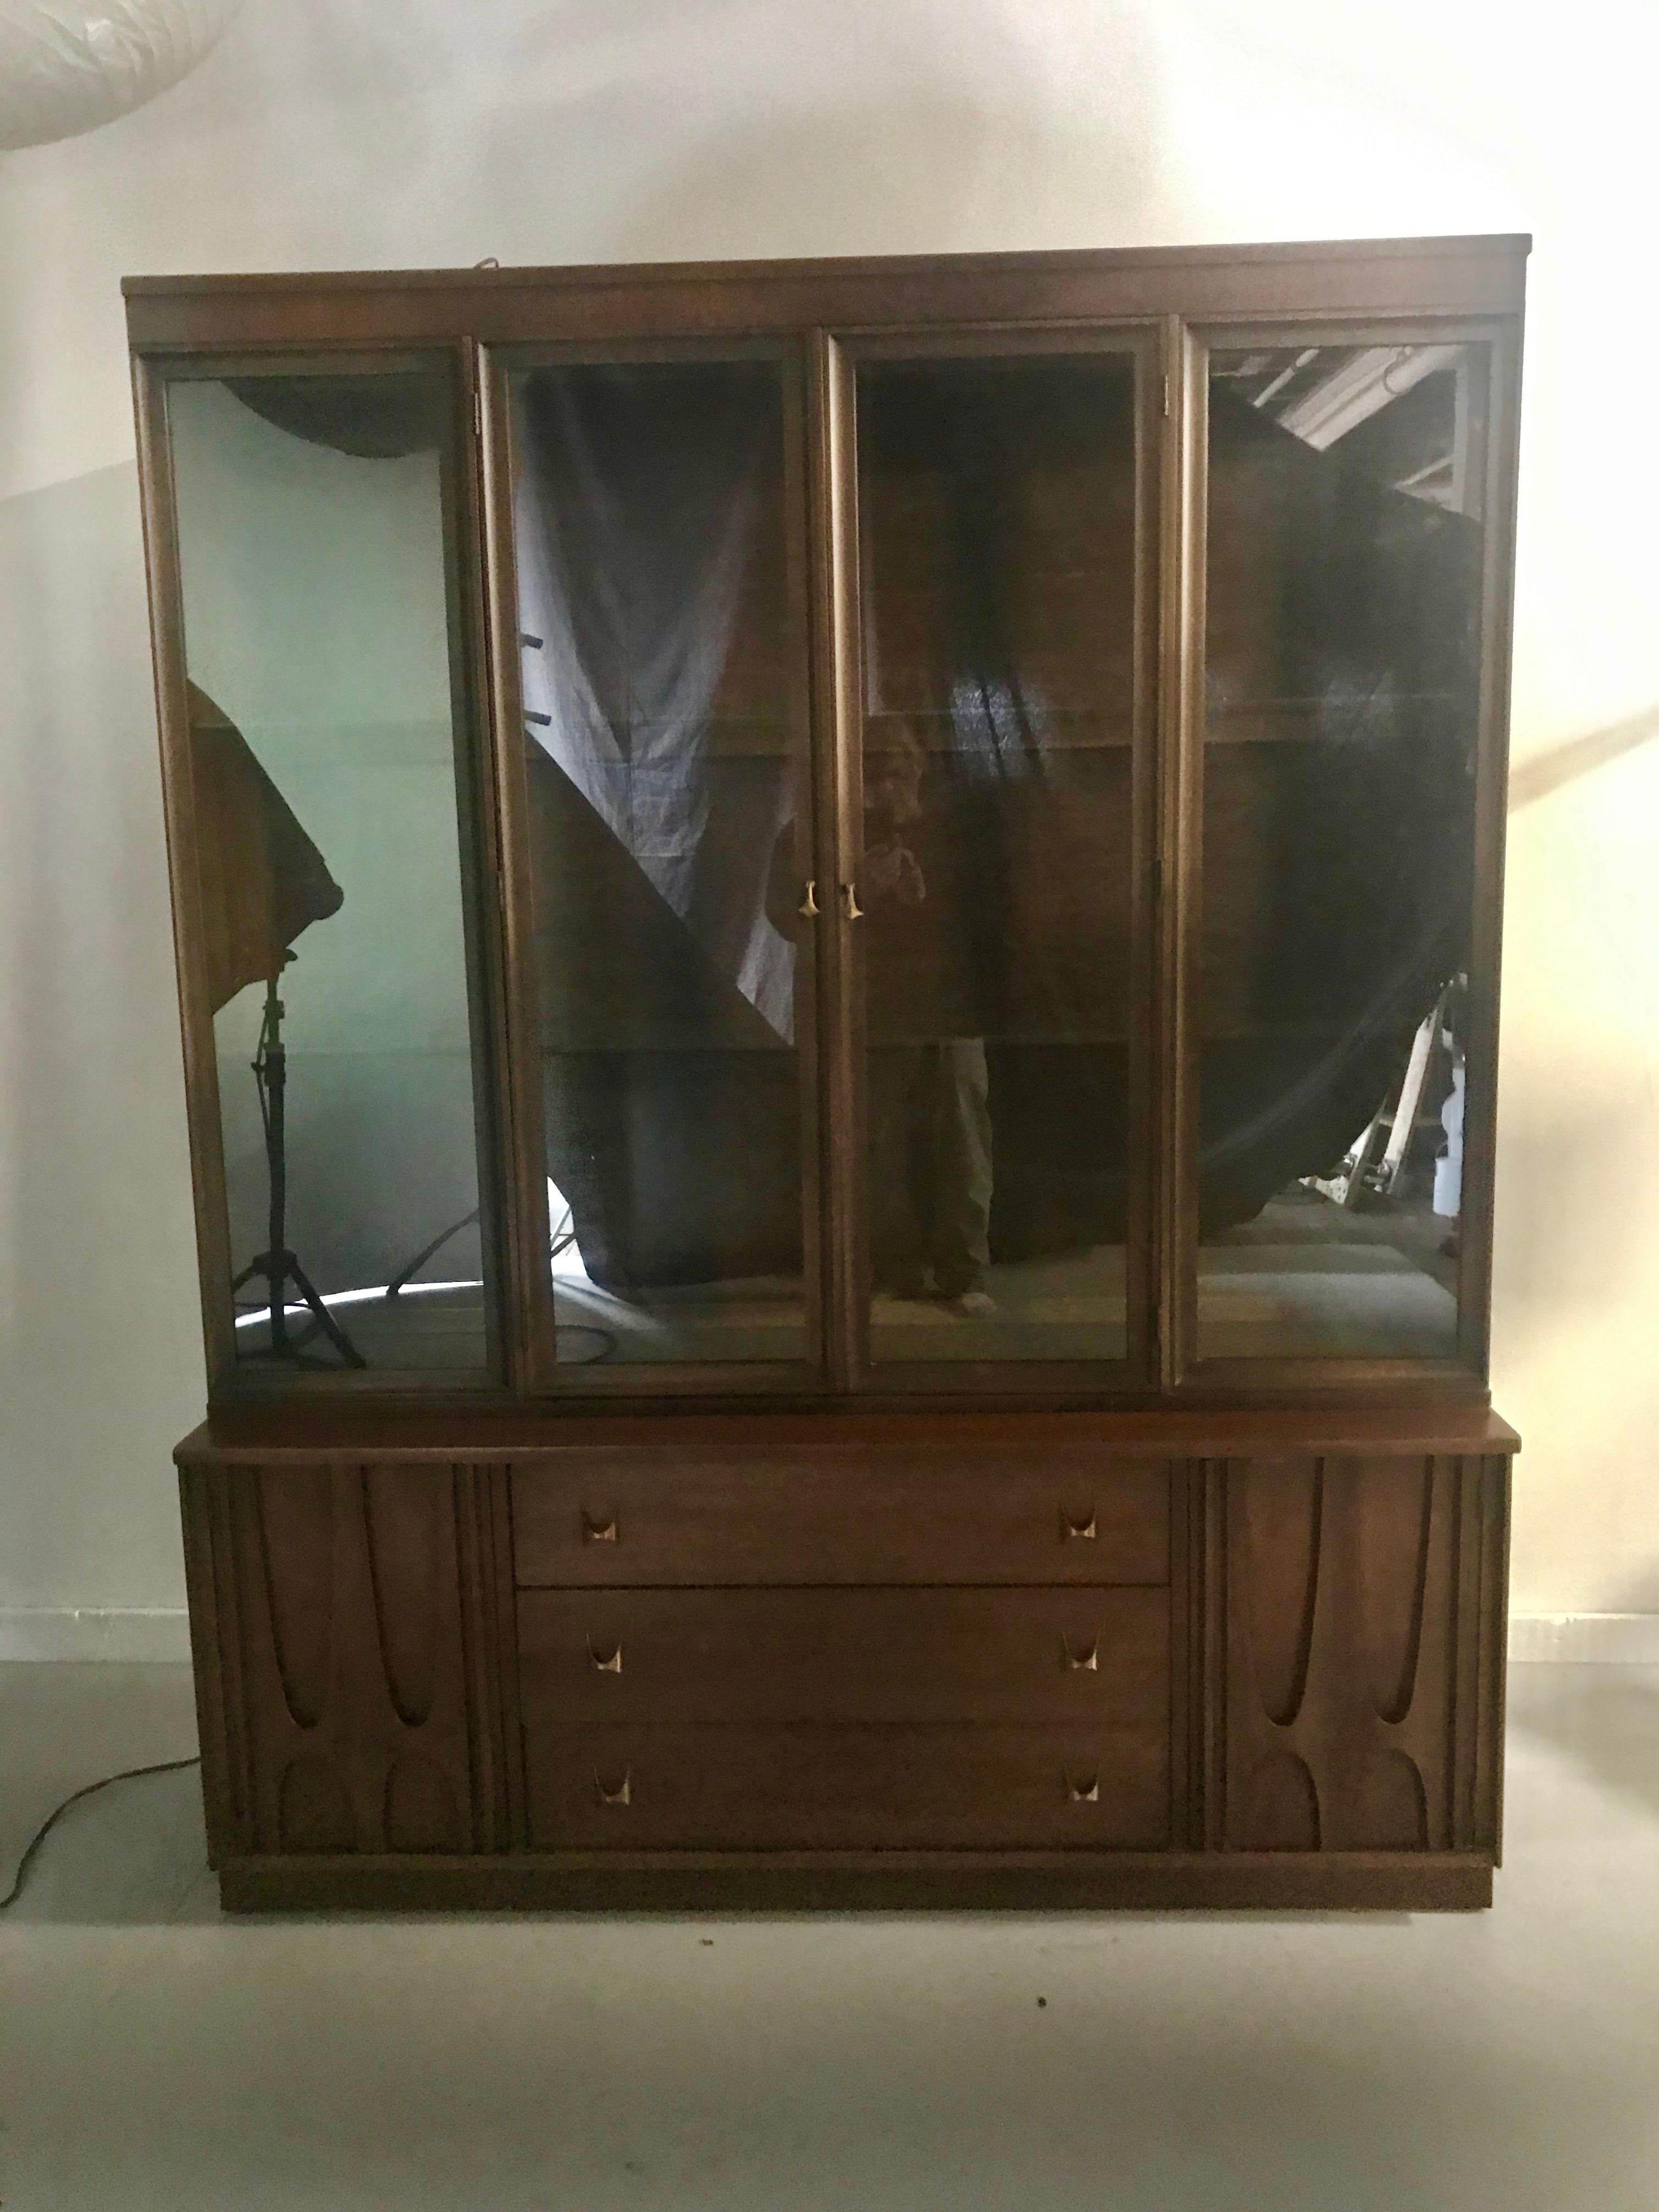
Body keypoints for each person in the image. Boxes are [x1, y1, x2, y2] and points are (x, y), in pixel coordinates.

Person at [768, 717, 994, 1314]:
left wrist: (930, 895)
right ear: (853, 774)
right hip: (867, 1015)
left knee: (963, 1147)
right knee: (877, 1150)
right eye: (881, 769)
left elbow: (984, 914)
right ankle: (891, 1267)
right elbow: (787, 915)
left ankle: (965, 1274)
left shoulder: (946, 834)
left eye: (905, 768)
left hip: (950, 1010)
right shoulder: (811, 834)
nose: (895, 783)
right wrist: (856, 894)